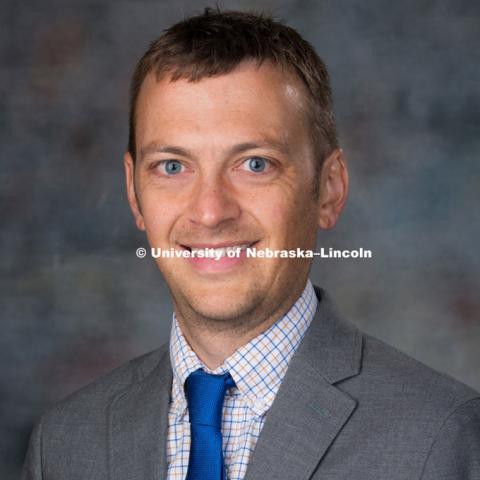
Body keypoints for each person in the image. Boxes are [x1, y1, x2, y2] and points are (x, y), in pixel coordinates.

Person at [22, 8, 480, 480]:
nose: (210, 211)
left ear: (329, 188)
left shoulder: (443, 438)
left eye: (255, 164)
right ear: (134, 191)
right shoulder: (65, 442)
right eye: (173, 167)